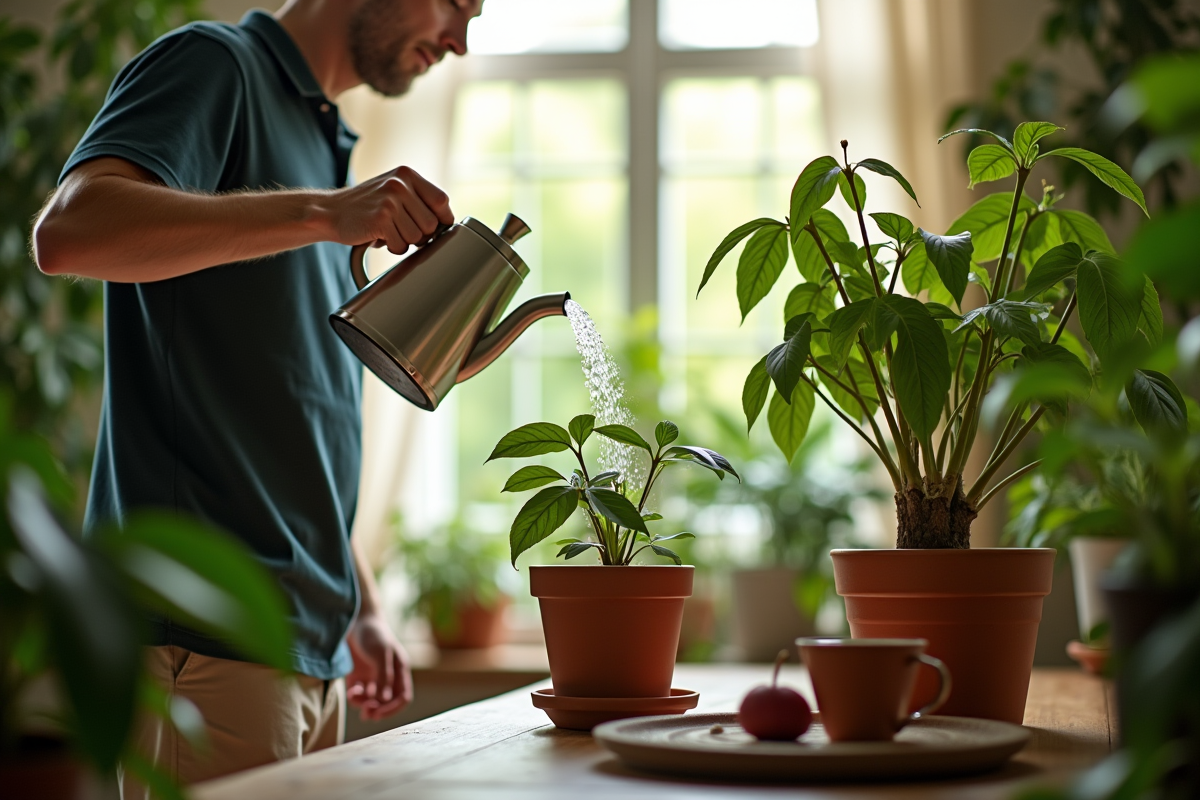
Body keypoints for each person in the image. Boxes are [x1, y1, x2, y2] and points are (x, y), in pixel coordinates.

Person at [33, 0, 483, 794]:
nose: (458, 41)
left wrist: (361, 601)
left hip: (309, 642)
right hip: (206, 636)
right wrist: (321, 213)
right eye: (456, 4)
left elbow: (281, 403)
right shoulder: (214, 66)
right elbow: (68, 231)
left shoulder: (322, 136)